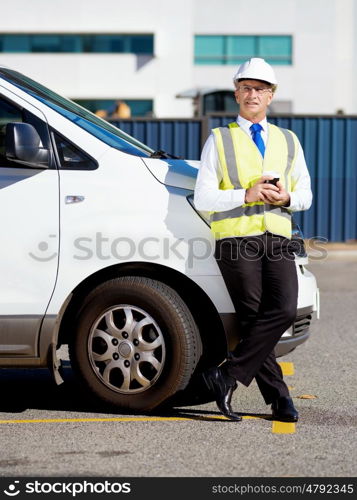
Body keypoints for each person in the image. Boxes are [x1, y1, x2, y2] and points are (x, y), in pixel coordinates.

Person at [194, 58, 312, 422]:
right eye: (246, 88)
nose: (252, 94)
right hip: (236, 238)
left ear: (271, 95)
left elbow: (306, 195)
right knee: (251, 318)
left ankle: (226, 375)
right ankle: (280, 400)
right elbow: (203, 197)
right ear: (236, 93)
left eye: (260, 89)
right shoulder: (219, 139)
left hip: (277, 236)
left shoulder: (288, 141)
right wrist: (245, 195)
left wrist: (286, 198)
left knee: (284, 310)